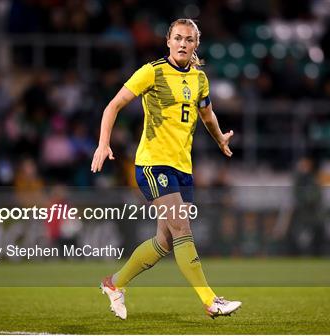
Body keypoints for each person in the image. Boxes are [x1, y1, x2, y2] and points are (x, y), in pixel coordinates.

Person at [90, 18, 241, 320]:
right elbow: (113, 106)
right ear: (168, 41)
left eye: (189, 39)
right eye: (178, 38)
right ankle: (211, 301)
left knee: (165, 241)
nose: (183, 44)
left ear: (196, 44)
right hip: (153, 163)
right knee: (183, 228)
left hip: (182, 168)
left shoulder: (199, 79)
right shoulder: (153, 71)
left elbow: (208, 116)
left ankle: (114, 283)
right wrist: (103, 143)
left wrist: (220, 137)